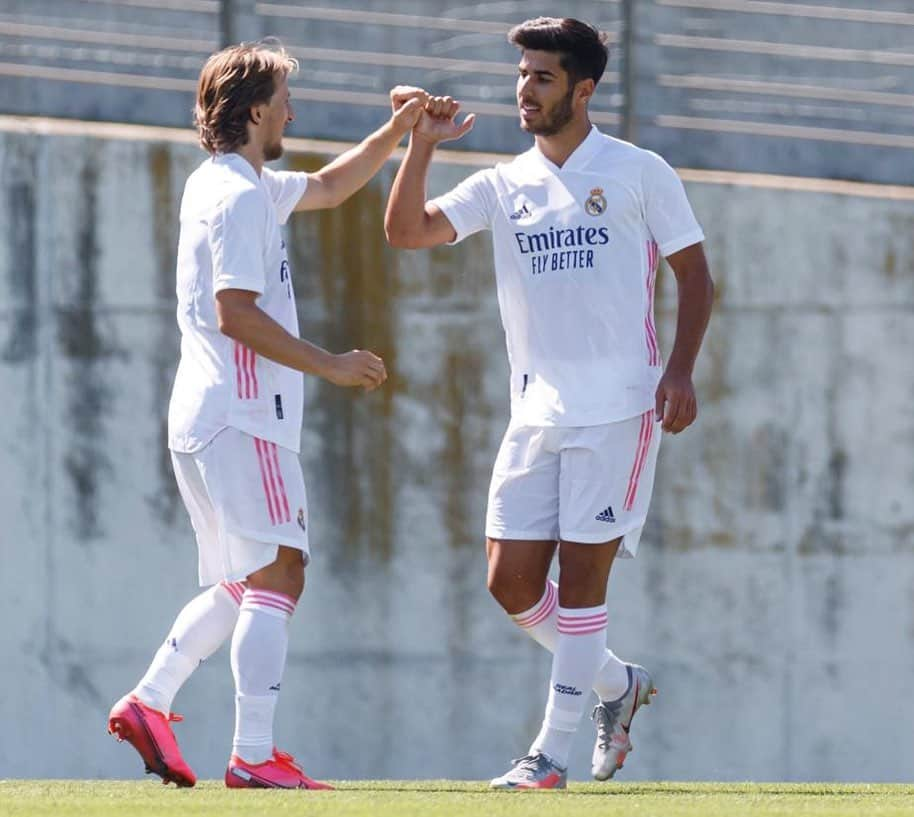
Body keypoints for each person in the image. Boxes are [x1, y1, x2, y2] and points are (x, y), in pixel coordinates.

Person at [385, 17, 713, 789]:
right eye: (522, 75)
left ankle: (550, 756)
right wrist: (422, 144)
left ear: (583, 89)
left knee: (585, 581)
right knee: (509, 580)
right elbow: (404, 232)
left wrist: (680, 371)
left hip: (621, 408)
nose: (524, 90)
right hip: (536, 413)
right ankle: (615, 685)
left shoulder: (639, 171)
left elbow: (695, 276)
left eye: (541, 77)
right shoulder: (504, 183)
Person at [107, 40, 426, 789]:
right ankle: (253, 754)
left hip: (204, 417)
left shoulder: (225, 183)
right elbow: (237, 314)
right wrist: (333, 364)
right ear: (255, 111)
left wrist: (397, 133)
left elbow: (328, 185)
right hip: (246, 415)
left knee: (245, 581)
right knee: (282, 570)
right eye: (285, 99)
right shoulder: (242, 196)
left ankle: (152, 699)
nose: (293, 110)